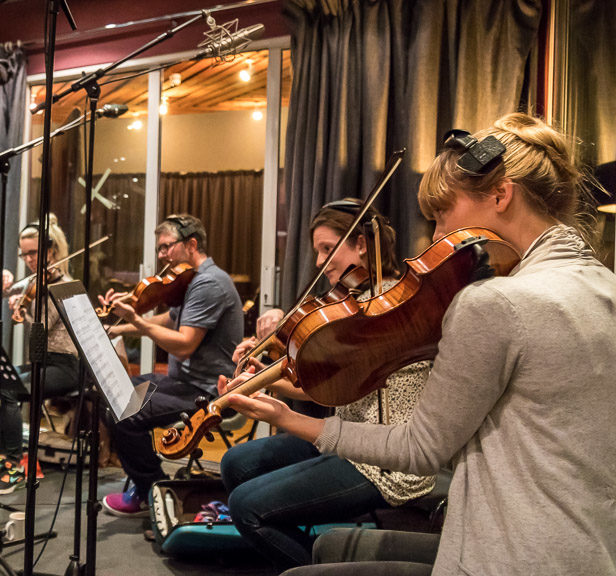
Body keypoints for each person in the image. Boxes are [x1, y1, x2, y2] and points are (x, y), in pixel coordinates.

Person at [224, 113, 616, 576]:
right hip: (588, 551)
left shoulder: (497, 302)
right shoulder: (602, 286)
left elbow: (420, 450)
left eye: (442, 213)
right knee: (328, 549)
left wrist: (287, 419)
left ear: (500, 194)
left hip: (503, 555)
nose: (436, 237)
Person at [220, 200, 436, 571]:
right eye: (317, 251)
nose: (319, 262)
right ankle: (286, 553)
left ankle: (311, 567)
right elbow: (334, 386)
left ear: (362, 245)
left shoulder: (391, 307)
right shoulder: (352, 302)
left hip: (384, 463)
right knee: (236, 462)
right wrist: (267, 384)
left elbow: (339, 380)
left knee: (246, 506)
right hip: (342, 441)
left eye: (327, 248)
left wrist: (278, 395)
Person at [100, 213, 243, 516]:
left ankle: (152, 490)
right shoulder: (191, 280)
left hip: (205, 391)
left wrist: (136, 319)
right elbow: (171, 319)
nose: (162, 255)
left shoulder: (209, 283)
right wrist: (121, 328)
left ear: (192, 244)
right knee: (112, 392)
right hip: (182, 384)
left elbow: (185, 344)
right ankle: (147, 482)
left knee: (123, 413)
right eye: (160, 249)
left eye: (167, 247)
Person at [0, 214, 81, 489]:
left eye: (33, 253)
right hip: (42, 362)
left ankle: (14, 465)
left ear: (51, 250)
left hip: (65, 367)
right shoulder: (34, 281)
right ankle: (0, 454)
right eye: (24, 255)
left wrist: (21, 309)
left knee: (8, 391)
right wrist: (0, 281)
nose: (28, 260)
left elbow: (44, 326)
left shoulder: (62, 285)